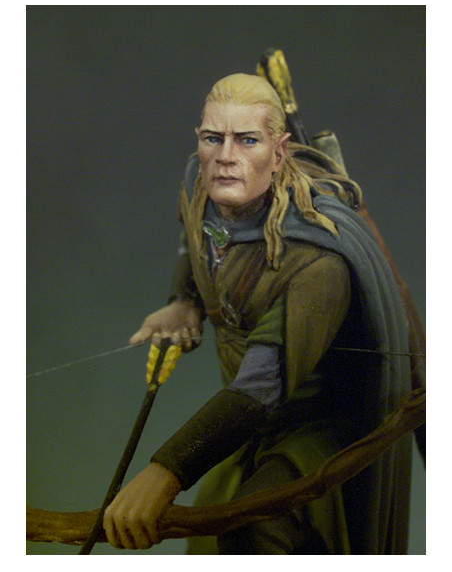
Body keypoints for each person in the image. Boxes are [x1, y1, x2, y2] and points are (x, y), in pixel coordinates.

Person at [103, 73, 412, 554]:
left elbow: (260, 386)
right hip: (249, 429)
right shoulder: (201, 182)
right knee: (207, 540)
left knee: (253, 532)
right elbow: (196, 235)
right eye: (213, 138)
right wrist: (184, 299)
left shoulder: (316, 262)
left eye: (247, 140)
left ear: (279, 151)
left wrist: (165, 471)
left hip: (317, 430)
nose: (225, 156)